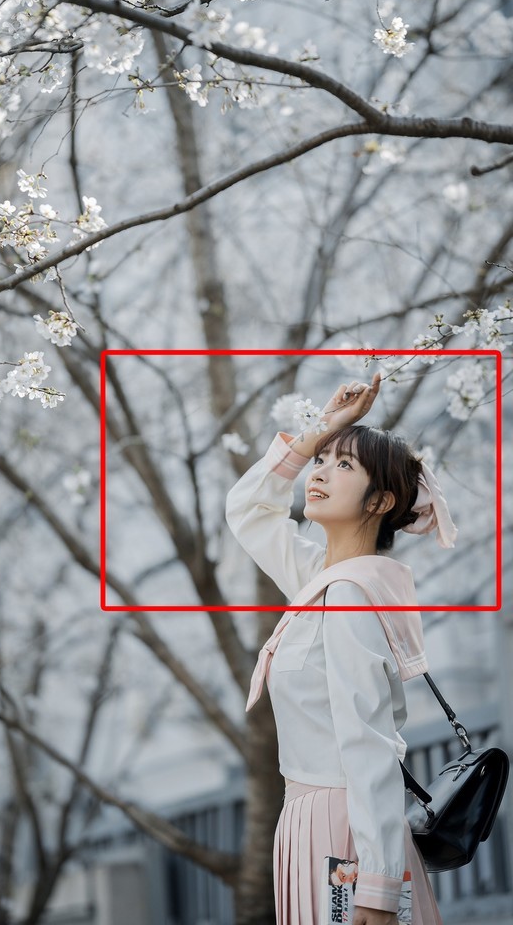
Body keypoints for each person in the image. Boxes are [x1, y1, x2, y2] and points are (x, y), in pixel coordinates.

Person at [226, 373, 456, 925]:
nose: (321, 472)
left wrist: (377, 889)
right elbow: (247, 510)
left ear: (380, 500)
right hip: (307, 824)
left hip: (342, 833)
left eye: (344, 466)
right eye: (321, 461)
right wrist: (323, 429)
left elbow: (370, 745)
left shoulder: (351, 594)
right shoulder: (319, 577)